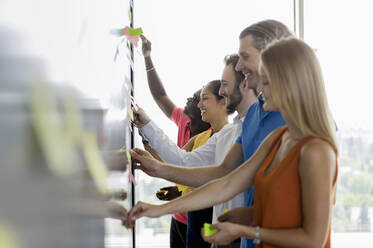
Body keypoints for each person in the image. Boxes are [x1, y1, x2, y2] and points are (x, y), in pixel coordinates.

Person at [129, 37, 338, 248]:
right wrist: (157, 210)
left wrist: (244, 230)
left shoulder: (316, 151)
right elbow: (226, 183)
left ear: (288, 84)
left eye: (266, 81)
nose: (260, 89)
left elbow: (313, 240)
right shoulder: (278, 138)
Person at [134, 53, 253, 247]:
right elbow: (185, 162)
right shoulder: (227, 135)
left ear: (245, 83)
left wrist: (158, 207)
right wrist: (147, 126)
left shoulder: (256, 129)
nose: (222, 90)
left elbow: (222, 181)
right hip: (221, 236)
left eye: (225, 84)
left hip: (241, 237)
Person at [140, 34, 210, 248]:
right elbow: (160, 95)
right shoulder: (184, 119)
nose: (189, 100)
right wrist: (147, 57)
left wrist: (179, 190)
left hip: (201, 221)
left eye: (198, 99)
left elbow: (201, 176)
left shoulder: (213, 137)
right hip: (179, 218)